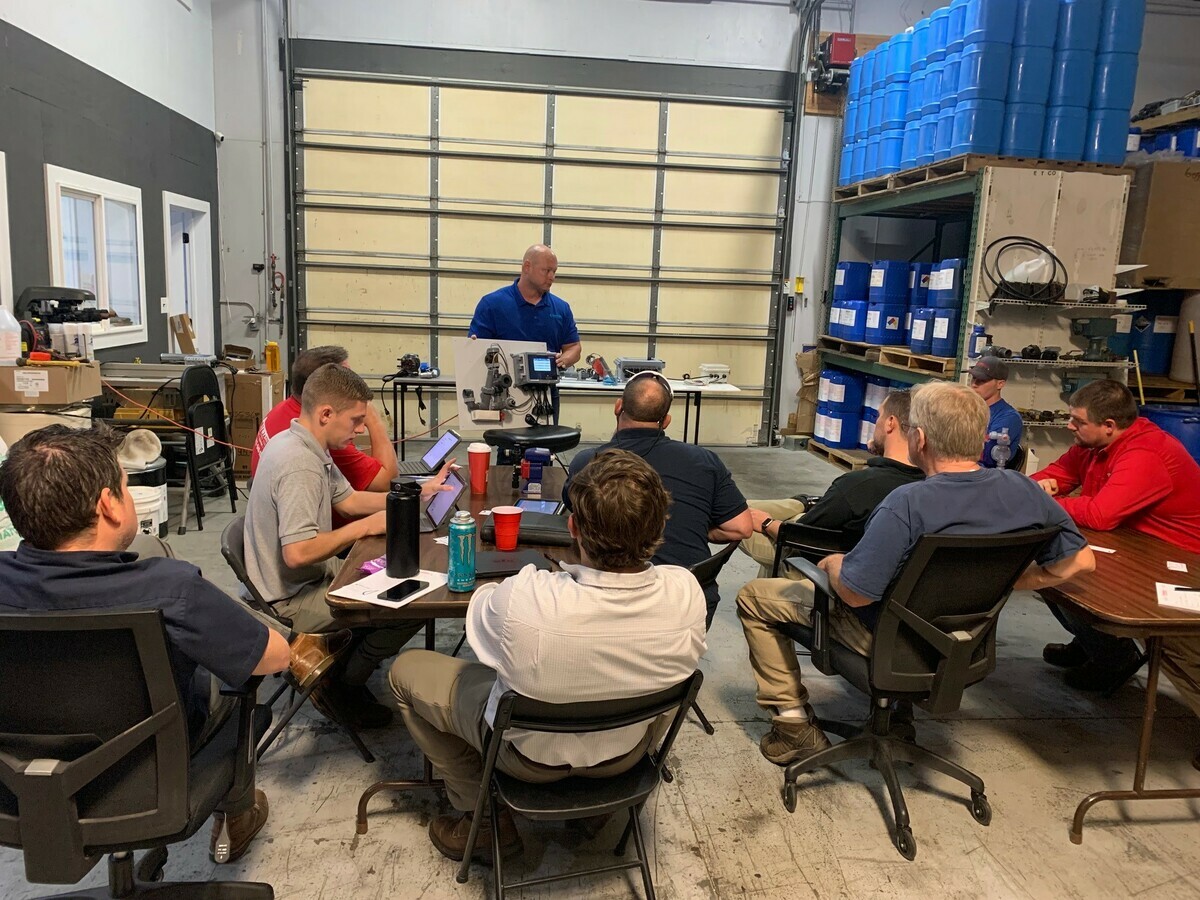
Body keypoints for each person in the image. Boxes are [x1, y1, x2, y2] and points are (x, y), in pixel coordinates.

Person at [738, 381, 1095, 766]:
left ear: (919, 439)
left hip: (889, 644)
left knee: (756, 597)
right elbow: (1080, 561)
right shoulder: (1023, 490)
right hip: (964, 646)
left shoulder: (908, 503)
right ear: (979, 440)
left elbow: (858, 594)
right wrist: (1013, 580)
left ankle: (793, 727)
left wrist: (835, 564)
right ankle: (895, 716)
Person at [389, 449, 706, 863]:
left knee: (405, 671)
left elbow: (480, 623)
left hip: (526, 760)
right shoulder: (686, 594)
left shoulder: (526, 598)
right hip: (624, 755)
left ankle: (482, 819)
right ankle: (602, 809)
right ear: (659, 527)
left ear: (572, 526)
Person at [0, 424, 291, 862]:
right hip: (148, 784)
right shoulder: (169, 589)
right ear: (108, 505)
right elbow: (274, 656)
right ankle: (238, 813)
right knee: (239, 692)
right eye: (126, 485)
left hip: (15, 789)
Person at [245, 363, 454, 729]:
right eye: (357, 421)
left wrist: (418, 494)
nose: (361, 430)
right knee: (413, 604)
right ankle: (340, 684)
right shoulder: (300, 465)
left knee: (401, 581)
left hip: (305, 579)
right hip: (291, 597)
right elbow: (297, 553)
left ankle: (346, 662)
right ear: (327, 413)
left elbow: (350, 500)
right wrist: (364, 528)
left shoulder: (304, 441)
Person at [1032, 379, 1200, 697]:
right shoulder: (1092, 447)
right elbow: (1053, 475)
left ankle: (1113, 656)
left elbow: (1100, 515)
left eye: (1078, 421)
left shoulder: (1146, 452)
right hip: (1133, 544)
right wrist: (1041, 489)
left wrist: (1047, 502)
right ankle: (1095, 644)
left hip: (1182, 559)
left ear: (1108, 425)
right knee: (1052, 562)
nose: (1070, 426)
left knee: (1073, 573)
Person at [563, 371, 752, 626]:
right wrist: (694, 522)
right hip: (690, 608)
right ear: (666, 421)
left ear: (618, 407)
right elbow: (741, 527)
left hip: (608, 606)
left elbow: (576, 516)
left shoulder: (588, 463)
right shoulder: (704, 460)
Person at [739, 390, 924, 575]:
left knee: (729, 514)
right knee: (749, 506)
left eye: (878, 416)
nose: (875, 422)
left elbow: (800, 534)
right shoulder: (926, 484)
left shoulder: (858, 485)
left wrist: (767, 523)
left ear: (890, 423)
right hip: (866, 559)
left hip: (816, 561)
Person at [250, 345, 398, 493]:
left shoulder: (285, 410)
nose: (354, 384)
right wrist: (372, 418)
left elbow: (347, 503)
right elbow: (386, 483)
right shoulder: (320, 437)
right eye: (346, 379)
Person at [468, 244, 582, 422]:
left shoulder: (561, 308)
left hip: (546, 396)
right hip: (504, 393)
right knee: (507, 447)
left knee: (545, 446)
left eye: (554, 271)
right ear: (527, 267)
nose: (552, 277)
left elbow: (574, 347)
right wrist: (474, 347)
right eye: (546, 270)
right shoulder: (493, 304)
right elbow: (478, 348)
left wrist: (565, 359)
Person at [970, 356, 1023, 469]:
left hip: (985, 477)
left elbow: (988, 456)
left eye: (982, 380)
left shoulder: (1008, 417)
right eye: (973, 378)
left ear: (1000, 384)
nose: (974, 384)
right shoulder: (966, 409)